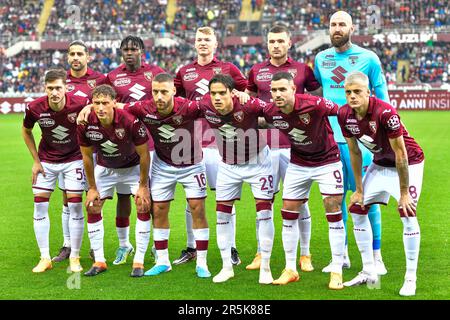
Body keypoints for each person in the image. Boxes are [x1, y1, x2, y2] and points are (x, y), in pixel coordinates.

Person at [314, 11, 389, 275]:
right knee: (335, 199)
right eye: (333, 24)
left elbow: (382, 98)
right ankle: (342, 255)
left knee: (368, 199)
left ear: (352, 28)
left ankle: (376, 257)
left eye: (342, 24)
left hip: (363, 142)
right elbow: (316, 98)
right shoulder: (320, 59)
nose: (337, 28)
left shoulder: (369, 58)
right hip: (330, 142)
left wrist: (383, 136)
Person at [115, 73, 211, 278]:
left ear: (174, 91)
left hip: (192, 165)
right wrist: (88, 108)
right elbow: (118, 107)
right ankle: (163, 261)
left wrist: (240, 95)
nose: (159, 96)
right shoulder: (144, 108)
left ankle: (202, 262)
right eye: (155, 92)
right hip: (162, 165)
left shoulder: (189, 107)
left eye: (164, 92)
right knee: (158, 210)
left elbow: (214, 105)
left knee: (197, 209)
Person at [337, 71, 424, 296]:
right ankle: (369, 271)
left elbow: (401, 154)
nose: (352, 96)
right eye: (348, 92)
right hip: (380, 164)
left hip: (408, 164)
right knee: (357, 207)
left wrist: (404, 193)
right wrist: (358, 189)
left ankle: (410, 277)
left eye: (357, 91)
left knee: (407, 211)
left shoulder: (385, 112)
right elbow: (354, 152)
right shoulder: (344, 114)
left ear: (368, 92)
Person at [246, 24, 321, 271]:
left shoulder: (303, 71)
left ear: (289, 43)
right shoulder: (256, 71)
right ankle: (260, 252)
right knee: (263, 200)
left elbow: (315, 103)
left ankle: (305, 254)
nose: (276, 45)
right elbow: (248, 106)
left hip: (294, 147)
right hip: (264, 148)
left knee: (299, 201)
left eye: (280, 41)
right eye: (271, 41)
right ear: (267, 44)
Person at [263, 72, 345, 289]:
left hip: (328, 161)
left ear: (293, 89)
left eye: (282, 89)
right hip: (299, 163)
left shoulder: (315, 103)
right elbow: (253, 110)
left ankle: (337, 269)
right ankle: (291, 268)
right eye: (274, 90)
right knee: (288, 210)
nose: (278, 94)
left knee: (332, 207)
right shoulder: (271, 112)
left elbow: (342, 111)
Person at [174, 26, 248, 266]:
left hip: (222, 143)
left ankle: (232, 247)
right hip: (191, 142)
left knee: (226, 198)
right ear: (194, 44)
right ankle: (191, 246)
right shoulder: (184, 72)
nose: (203, 43)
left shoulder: (228, 69)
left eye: (207, 39)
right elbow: (174, 100)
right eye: (199, 39)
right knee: (192, 199)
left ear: (216, 44)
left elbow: (246, 93)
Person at [198, 74, 274, 284]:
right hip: (228, 165)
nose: (217, 98)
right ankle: (226, 267)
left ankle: (265, 267)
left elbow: (274, 110)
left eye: (222, 93)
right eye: (213, 93)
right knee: (222, 214)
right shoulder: (205, 106)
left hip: (258, 162)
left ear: (232, 93)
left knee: (265, 212)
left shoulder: (248, 105)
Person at [77, 84, 151, 277]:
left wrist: (143, 186)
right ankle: (99, 261)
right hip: (105, 168)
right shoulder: (85, 122)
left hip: (132, 168)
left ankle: (139, 261)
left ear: (114, 103)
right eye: (96, 103)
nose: (100, 108)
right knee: (92, 205)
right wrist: (92, 187)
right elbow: (86, 156)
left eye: (105, 103)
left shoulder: (130, 121)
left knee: (143, 205)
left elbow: (144, 155)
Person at [105, 35, 165, 266]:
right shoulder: (113, 77)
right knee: (122, 197)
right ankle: (124, 245)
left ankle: (153, 246)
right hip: (123, 144)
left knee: (147, 196)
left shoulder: (155, 73)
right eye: (125, 49)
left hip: (150, 141)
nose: (129, 52)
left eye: (134, 49)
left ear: (142, 51)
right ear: (121, 52)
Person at [22, 69, 89, 273]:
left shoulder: (79, 104)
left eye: (58, 88)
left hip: (73, 160)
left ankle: (75, 257)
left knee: (76, 206)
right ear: (45, 88)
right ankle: (45, 257)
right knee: (39, 206)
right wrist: (35, 160)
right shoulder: (34, 107)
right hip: (46, 161)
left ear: (66, 88)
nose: (54, 92)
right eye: (50, 88)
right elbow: (26, 130)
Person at [53, 40, 106, 263]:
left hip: (96, 149)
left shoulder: (100, 80)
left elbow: (109, 105)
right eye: (72, 54)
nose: (76, 58)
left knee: (95, 199)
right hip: (70, 152)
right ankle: (67, 245)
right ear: (68, 57)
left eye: (80, 54)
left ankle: (96, 248)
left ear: (88, 57)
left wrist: (90, 107)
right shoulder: (61, 82)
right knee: (68, 199)